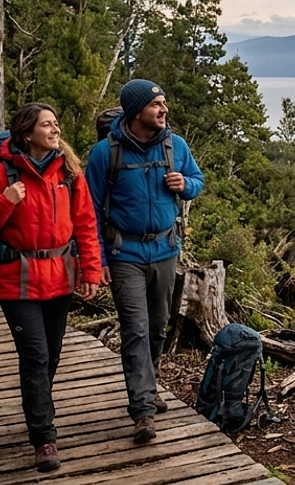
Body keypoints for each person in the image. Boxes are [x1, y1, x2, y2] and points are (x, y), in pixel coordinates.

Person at [0, 103, 102, 473]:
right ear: (28, 134)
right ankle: (44, 438)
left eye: (56, 123)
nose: (55, 129)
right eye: (47, 124)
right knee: (36, 357)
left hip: (60, 277)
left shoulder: (70, 173)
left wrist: (91, 271)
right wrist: (5, 201)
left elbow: (86, 225)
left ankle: (37, 410)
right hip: (17, 281)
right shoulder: (2, 174)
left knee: (51, 357)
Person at [87, 79, 204, 444]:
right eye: (157, 105)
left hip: (166, 251)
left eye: (164, 103)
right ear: (137, 111)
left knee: (157, 328)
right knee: (135, 329)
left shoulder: (175, 146)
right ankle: (142, 411)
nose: (164, 110)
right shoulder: (106, 154)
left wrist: (184, 184)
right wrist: (99, 259)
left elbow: (198, 181)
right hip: (126, 255)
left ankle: (148, 386)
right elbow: (90, 210)